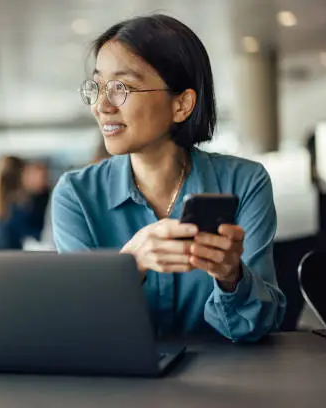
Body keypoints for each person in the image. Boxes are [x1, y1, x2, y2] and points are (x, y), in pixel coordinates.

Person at [51, 14, 286, 342]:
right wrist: (129, 266)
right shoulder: (75, 195)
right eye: (98, 86)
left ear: (181, 104)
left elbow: (262, 325)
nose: (101, 106)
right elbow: (78, 328)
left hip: (227, 386)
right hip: (120, 387)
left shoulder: (246, 182)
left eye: (120, 87)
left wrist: (231, 277)